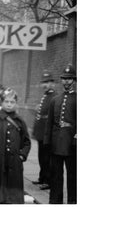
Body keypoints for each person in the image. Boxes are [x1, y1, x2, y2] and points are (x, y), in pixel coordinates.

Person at [44, 65, 77, 204]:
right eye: (64, 79)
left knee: (72, 175)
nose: (66, 82)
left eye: (69, 79)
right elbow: (49, 123)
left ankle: (73, 201)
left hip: (71, 143)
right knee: (56, 174)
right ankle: (55, 201)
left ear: (74, 81)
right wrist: (47, 141)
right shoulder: (55, 100)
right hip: (56, 142)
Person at [32, 71, 57, 190]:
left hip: (48, 134)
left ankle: (48, 181)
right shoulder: (46, 96)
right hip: (41, 133)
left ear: (53, 83)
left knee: (47, 158)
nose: (45, 85)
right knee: (41, 157)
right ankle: (42, 177)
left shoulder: (54, 96)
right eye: (44, 82)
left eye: (48, 82)